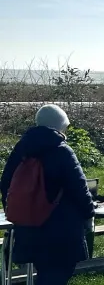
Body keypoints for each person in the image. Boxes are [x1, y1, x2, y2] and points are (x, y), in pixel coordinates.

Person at [0, 104, 95, 285]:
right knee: (57, 275)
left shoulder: (22, 148)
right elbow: (80, 189)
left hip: (28, 227)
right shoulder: (62, 150)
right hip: (60, 228)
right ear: (59, 126)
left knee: (44, 274)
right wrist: (90, 214)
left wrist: (16, 209)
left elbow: (5, 183)